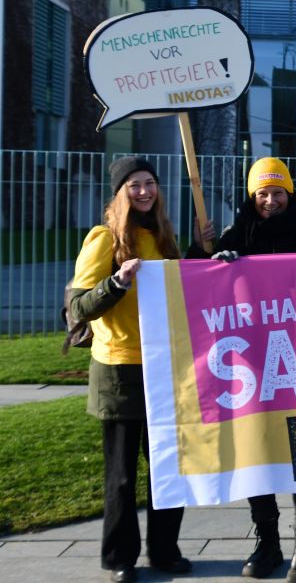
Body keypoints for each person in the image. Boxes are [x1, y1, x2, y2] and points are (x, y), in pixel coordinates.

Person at [196, 157, 296, 583]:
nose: (271, 200)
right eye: (263, 193)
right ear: (252, 197)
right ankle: (267, 541)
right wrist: (210, 259)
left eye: (278, 192)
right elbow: (196, 286)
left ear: (291, 193)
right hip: (252, 366)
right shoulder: (235, 236)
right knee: (259, 447)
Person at [70, 157, 197, 583]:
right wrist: (117, 282)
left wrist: (204, 253)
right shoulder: (103, 239)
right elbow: (79, 307)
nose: (144, 191)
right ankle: (119, 558)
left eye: (150, 183)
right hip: (119, 370)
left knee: (169, 468)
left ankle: (165, 551)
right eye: (135, 185)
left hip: (166, 368)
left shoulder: (164, 237)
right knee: (122, 476)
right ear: (120, 192)